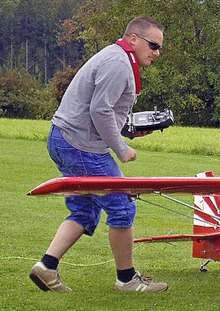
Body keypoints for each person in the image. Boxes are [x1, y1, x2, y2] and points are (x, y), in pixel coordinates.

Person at [29, 17, 168, 292]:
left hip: (65, 139)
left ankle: (46, 267)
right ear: (133, 39)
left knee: (85, 209)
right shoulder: (119, 63)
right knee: (122, 206)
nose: (156, 52)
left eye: (159, 47)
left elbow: (103, 111)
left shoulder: (117, 57)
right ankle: (127, 280)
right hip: (81, 145)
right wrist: (121, 148)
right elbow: (100, 111)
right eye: (153, 45)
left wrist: (127, 131)